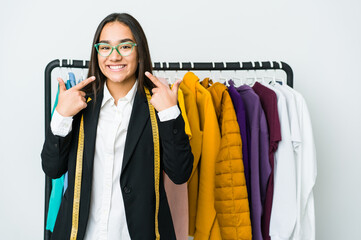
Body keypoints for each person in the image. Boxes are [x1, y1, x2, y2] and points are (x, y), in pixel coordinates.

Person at [41, 12, 193, 240]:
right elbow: (52, 169)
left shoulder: (159, 103)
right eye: (105, 47)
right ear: (97, 53)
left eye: (124, 47)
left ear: (139, 52)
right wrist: (61, 116)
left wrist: (170, 114)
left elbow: (180, 174)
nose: (114, 56)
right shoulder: (79, 104)